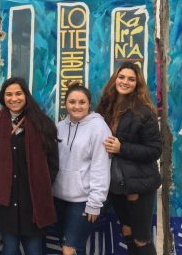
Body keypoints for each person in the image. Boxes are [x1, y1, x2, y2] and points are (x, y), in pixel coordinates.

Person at [0, 77, 59, 255]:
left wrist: (42, 187)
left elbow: (53, 163)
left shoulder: (42, 123)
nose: (14, 98)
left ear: (26, 95)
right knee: (9, 249)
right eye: (9, 94)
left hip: (33, 202)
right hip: (5, 202)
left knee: (34, 250)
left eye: (18, 93)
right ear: (3, 98)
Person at [96, 62, 161, 255]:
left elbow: (154, 150)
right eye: (121, 77)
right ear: (115, 79)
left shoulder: (144, 111)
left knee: (141, 240)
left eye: (131, 79)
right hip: (116, 185)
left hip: (139, 185)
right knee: (128, 232)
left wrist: (121, 148)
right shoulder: (105, 107)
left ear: (137, 84)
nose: (125, 82)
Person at [53, 83, 111, 255]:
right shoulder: (60, 127)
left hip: (83, 201)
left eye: (81, 102)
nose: (77, 106)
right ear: (65, 104)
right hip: (59, 198)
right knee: (72, 247)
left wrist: (94, 203)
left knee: (69, 249)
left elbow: (101, 167)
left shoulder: (99, 128)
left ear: (89, 104)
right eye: (72, 102)